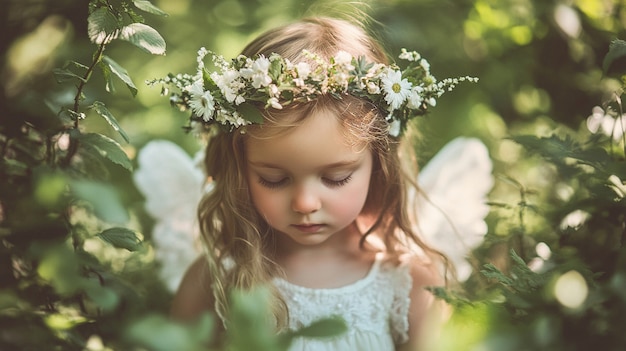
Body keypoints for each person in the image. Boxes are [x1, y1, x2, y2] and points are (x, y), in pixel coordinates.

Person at [152, 15, 477, 351]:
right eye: (273, 179)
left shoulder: (406, 283)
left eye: (336, 178)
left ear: (379, 164)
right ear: (239, 171)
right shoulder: (216, 280)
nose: (305, 203)